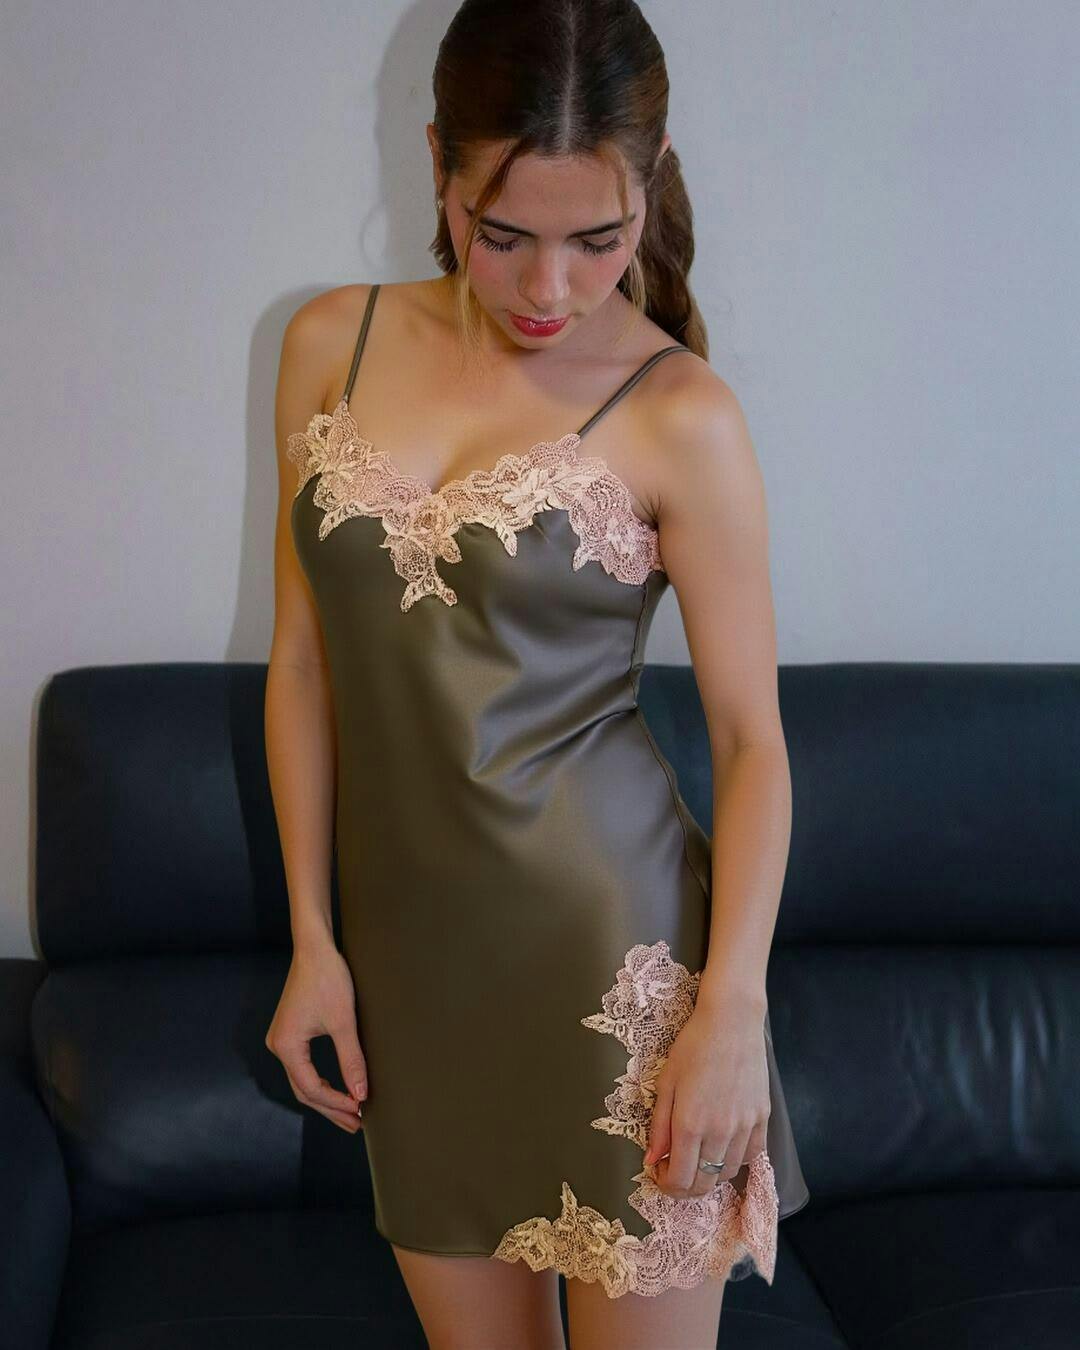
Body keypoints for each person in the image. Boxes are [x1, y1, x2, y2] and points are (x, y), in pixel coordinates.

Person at [264, 1, 810, 1346]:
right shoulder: (328, 343)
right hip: (411, 977)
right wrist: (313, 941)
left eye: (597, 240)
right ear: (437, 166)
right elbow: (306, 668)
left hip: (621, 970)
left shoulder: (685, 413)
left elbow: (752, 741)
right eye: (501, 234)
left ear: (652, 180)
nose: (548, 290)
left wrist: (731, 1010)